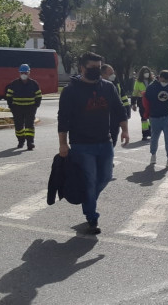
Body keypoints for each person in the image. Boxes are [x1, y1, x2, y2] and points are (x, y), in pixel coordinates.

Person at [58, 51, 129, 235]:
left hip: (105, 141)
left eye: (98, 68)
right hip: (81, 144)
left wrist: (125, 130)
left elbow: (119, 110)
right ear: (82, 68)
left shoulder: (108, 87)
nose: (96, 71)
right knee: (90, 180)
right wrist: (63, 144)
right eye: (92, 68)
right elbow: (63, 119)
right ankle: (91, 217)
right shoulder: (71, 90)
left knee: (105, 177)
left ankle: (87, 199)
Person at [144, 70, 168, 168]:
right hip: (155, 117)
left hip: (166, 115)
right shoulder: (152, 86)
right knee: (155, 137)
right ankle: (153, 155)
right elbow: (147, 100)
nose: (166, 82)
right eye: (165, 79)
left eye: (167, 80)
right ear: (160, 77)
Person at [5, 64, 42, 150]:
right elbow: (9, 95)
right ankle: (21, 141)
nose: (23, 74)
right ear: (19, 73)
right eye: (22, 72)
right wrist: (11, 106)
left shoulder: (34, 84)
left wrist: (36, 105)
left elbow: (38, 96)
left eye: (25, 72)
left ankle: (30, 142)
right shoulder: (14, 84)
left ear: (29, 73)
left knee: (29, 125)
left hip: (30, 108)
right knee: (19, 126)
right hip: (17, 108)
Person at [101, 64, 131, 147]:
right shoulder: (98, 86)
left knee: (112, 143)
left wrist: (127, 110)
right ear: (103, 74)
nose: (113, 75)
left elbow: (123, 97)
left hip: (115, 119)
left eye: (113, 73)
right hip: (104, 120)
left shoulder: (115, 83)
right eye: (110, 74)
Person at [132, 66, 153, 140]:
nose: (146, 74)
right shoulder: (138, 82)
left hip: (151, 101)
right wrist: (133, 103)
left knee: (151, 117)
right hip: (142, 101)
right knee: (144, 117)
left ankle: (151, 132)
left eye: (147, 72)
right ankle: (145, 134)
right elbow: (135, 93)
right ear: (142, 73)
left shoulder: (152, 81)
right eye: (145, 72)